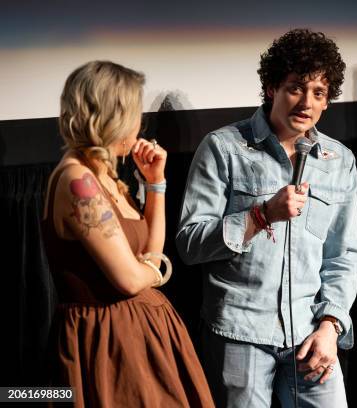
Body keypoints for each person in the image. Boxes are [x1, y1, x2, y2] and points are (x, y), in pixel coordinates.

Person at [176, 29, 357, 407]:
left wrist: (331, 326)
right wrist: (261, 215)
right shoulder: (224, 148)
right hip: (239, 334)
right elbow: (190, 244)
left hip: (310, 335)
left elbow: (344, 256)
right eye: (296, 87)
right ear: (272, 87)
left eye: (319, 93)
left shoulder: (339, 161)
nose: (306, 102)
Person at [42, 60, 215, 407]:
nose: (139, 124)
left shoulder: (105, 176)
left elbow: (151, 249)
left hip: (144, 337)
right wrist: (156, 270)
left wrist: (156, 183)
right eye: (135, 112)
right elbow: (129, 279)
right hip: (107, 344)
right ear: (112, 116)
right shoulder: (78, 182)